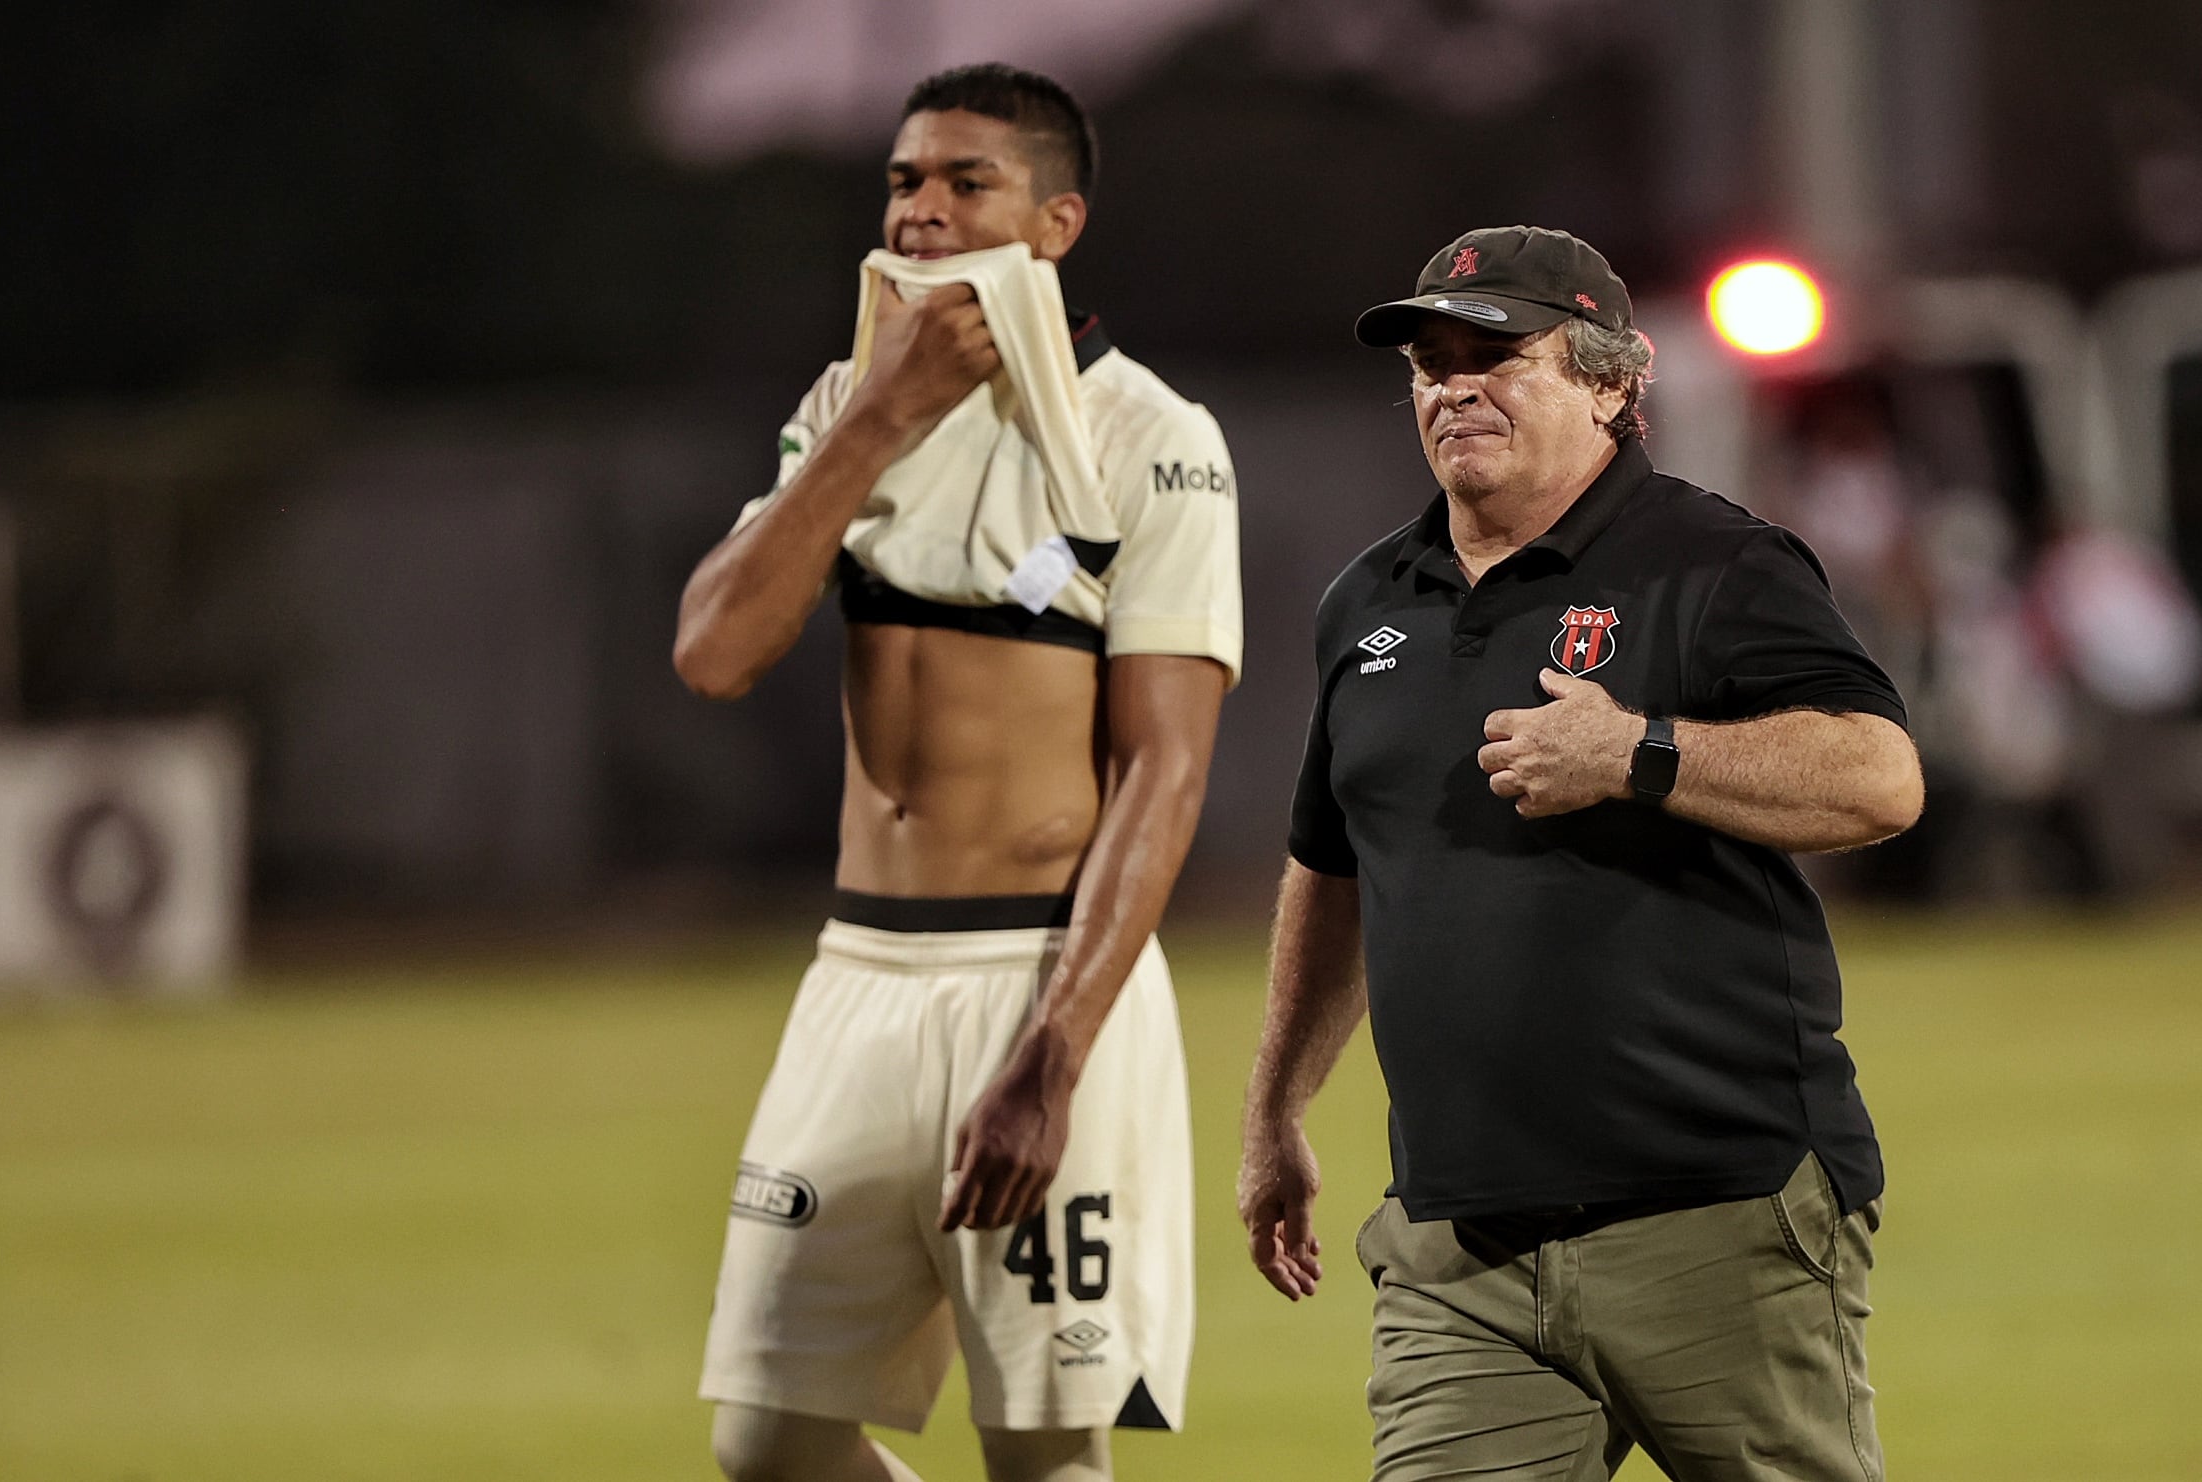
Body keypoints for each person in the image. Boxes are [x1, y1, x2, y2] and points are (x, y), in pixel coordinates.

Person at [1237, 225, 1923, 1482]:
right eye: (1431, 360)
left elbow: (1879, 778)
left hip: (1715, 1216)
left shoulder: (1715, 562)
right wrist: (1276, 1107)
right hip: (1460, 1252)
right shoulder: (1367, 601)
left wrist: (1643, 754)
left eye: (1497, 351)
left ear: (1612, 381)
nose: (1454, 384)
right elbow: (1333, 865)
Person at [674, 64, 1241, 1482]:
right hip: (856, 972)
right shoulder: (841, 400)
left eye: (963, 182)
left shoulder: (1153, 440)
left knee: (1043, 1455)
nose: (920, 209)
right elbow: (712, 649)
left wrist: (1051, 1056)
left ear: (1054, 222)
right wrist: (873, 419)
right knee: (768, 1445)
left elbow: (1164, 775)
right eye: (901, 181)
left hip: (1036, 978)